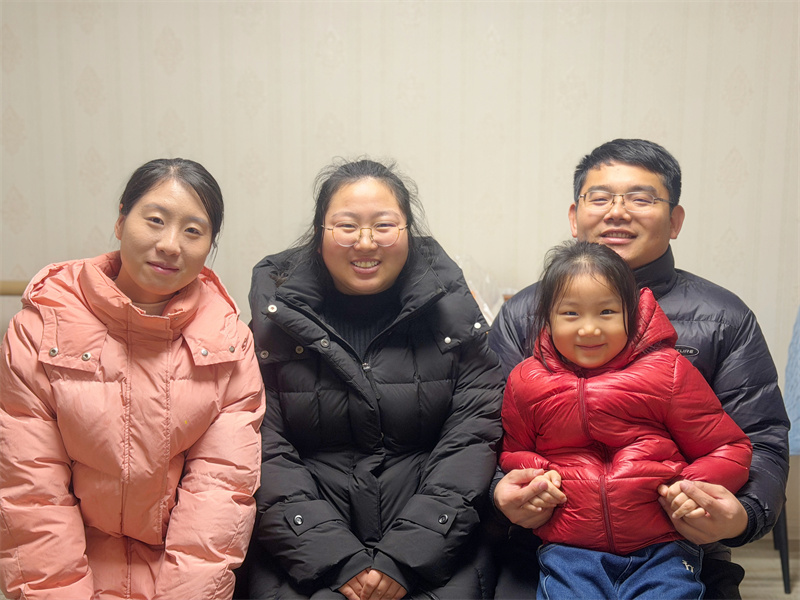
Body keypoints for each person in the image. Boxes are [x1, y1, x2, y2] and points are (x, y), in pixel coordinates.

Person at [490, 139, 790, 599]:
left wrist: (743, 514)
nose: (617, 212)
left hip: (679, 545)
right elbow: (489, 436)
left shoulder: (723, 317)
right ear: (574, 216)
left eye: (641, 198)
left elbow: (760, 438)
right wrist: (503, 493)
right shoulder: (524, 314)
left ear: (675, 220)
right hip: (547, 545)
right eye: (600, 198)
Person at [0, 158, 266, 599]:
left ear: (210, 245)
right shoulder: (39, 330)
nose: (170, 245)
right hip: (67, 572)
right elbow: (31, 492)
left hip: (179, 578)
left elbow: (219, 496)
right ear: (121, 221)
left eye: (193, 231)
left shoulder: (229, 344)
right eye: (155, 220)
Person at [241, 158, 503, 600]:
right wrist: (335, 558)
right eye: (346, 226)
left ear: (408, 232)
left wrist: (405, 556)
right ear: (320, 234)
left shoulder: (452, 318)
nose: (365, 243)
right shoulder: (274, 322)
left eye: (383, 225)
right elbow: (262, 448)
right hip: (301, 551)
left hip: (438, 549)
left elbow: (472, 439)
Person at [499, 240, 752, 599]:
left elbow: (729, 447)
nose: (589, 329)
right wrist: (539, 477)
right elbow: (513, 451)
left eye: (606, 312)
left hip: (662, 547)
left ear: (631, 314)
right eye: (570, 313)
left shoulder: (668, 371)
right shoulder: (526, 381)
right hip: (569, 549)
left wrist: (689, 488)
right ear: (547, 318)